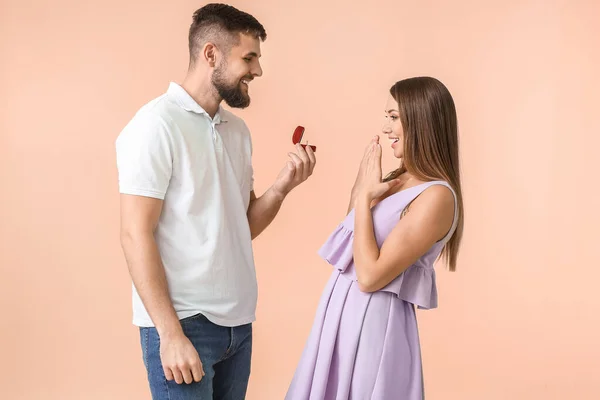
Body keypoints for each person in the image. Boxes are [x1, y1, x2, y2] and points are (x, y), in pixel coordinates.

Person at [115, 4, 316, 399]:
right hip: (184, 324)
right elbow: (134, 233)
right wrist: (169, 333)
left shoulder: (236, 132)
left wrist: (281, 187)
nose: (257, 70)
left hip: (238, 327)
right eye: (249, 57)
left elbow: (241, 225)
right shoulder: (155, 125)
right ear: (211, 54)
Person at [285, 76, 463, 399]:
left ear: (421, 120)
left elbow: (369, 276)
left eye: (394, 117)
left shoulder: (437, 196)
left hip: (374, 327)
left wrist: (364, 196)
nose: (385, 127)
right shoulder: (397, 178)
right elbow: (351, 239)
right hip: (340, 315)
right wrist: (360, 192)